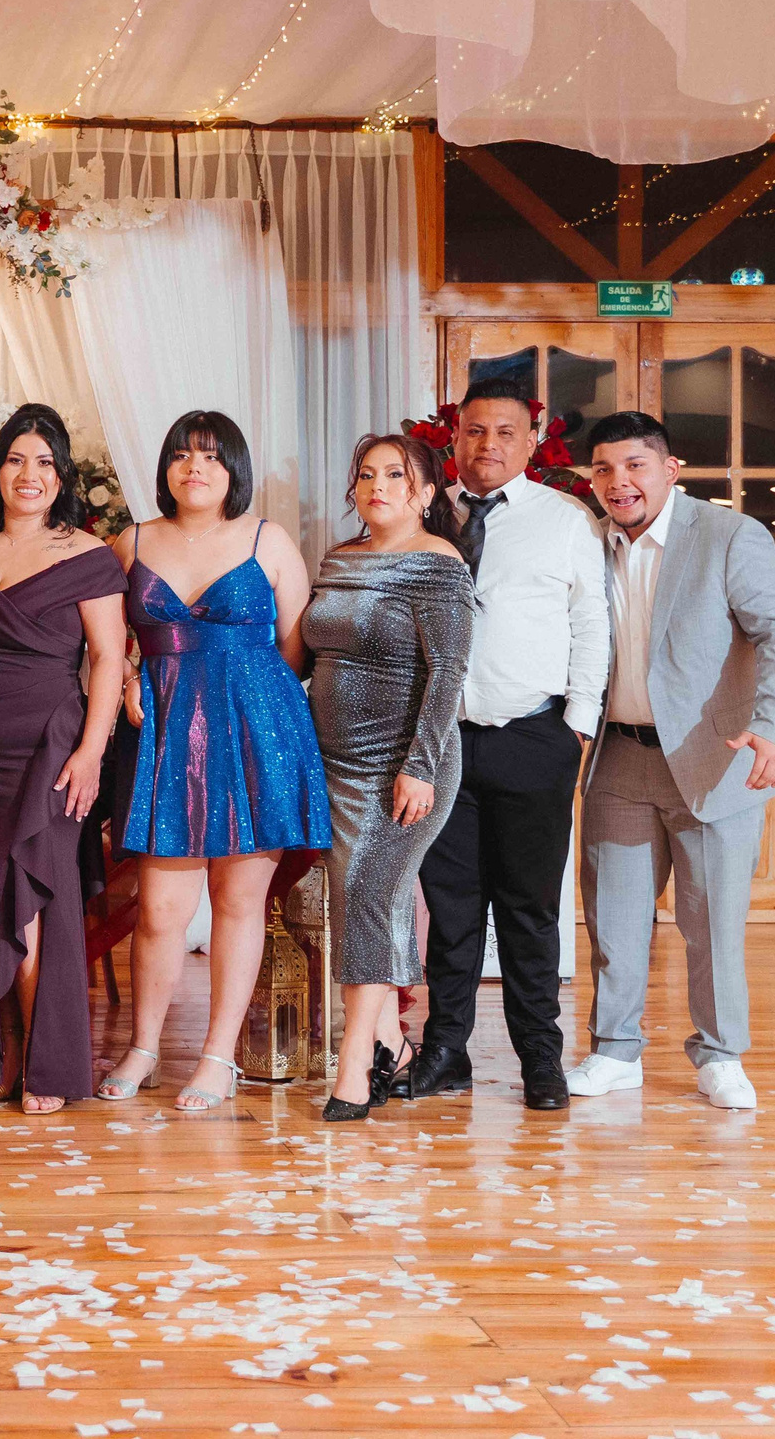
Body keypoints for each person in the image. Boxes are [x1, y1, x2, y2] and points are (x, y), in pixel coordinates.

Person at [566, 411, 775, 1112]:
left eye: (636, 465)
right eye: (605, 469)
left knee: (710, 920)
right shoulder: (589, 539)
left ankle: (721, 1053)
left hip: (714, 757)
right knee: (612, 917)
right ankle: (614, 1051)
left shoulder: (730, 535)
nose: (620, 481)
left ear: (671, 470)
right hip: (618, 756)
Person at [97, 411, 331, 1114]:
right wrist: (139, 672)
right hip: (167, 733)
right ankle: (142, 1048)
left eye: (210, 456)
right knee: (161, 908)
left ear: (234, 469)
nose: (194, 468)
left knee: (238, 901)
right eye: (180, 455)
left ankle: (218, 1055)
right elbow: (104, 643)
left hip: (256, 731)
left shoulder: (268, 539)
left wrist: (240, 693)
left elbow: (295, 648)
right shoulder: (129, 541)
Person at [404, 378, 610, 1113]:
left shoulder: (566, 519)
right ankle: (446, 1052)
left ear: (531, 441)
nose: (488, 445)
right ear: (454, 437)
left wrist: (576, 727)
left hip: (534, 736)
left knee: (529, 911)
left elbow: (593, 626)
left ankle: (540, 1061)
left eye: (504, 432)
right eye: (475, 431)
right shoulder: (425, 515)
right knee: (451, 909)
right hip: (443, 741)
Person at [0, 404, 127, 1115]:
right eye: (16, 458)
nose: (28, 474)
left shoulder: (89, 556)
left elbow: (106, 657)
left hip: (49, 747)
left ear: (62, 476)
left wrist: (92, 751)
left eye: (44, 462)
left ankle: (47, 1060)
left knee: (35, 902)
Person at [302, 435, 472, 1121]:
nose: (378, 485)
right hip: (333, 760)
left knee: (369, 892)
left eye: (396, 475)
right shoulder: (339, 560)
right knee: (356, 896)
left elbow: (448, 674)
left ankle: (352, 1070)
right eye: (365, 473)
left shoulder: (439, 563)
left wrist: (420, 767)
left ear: (426, 492)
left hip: (406, 765)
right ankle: (392, 1043)